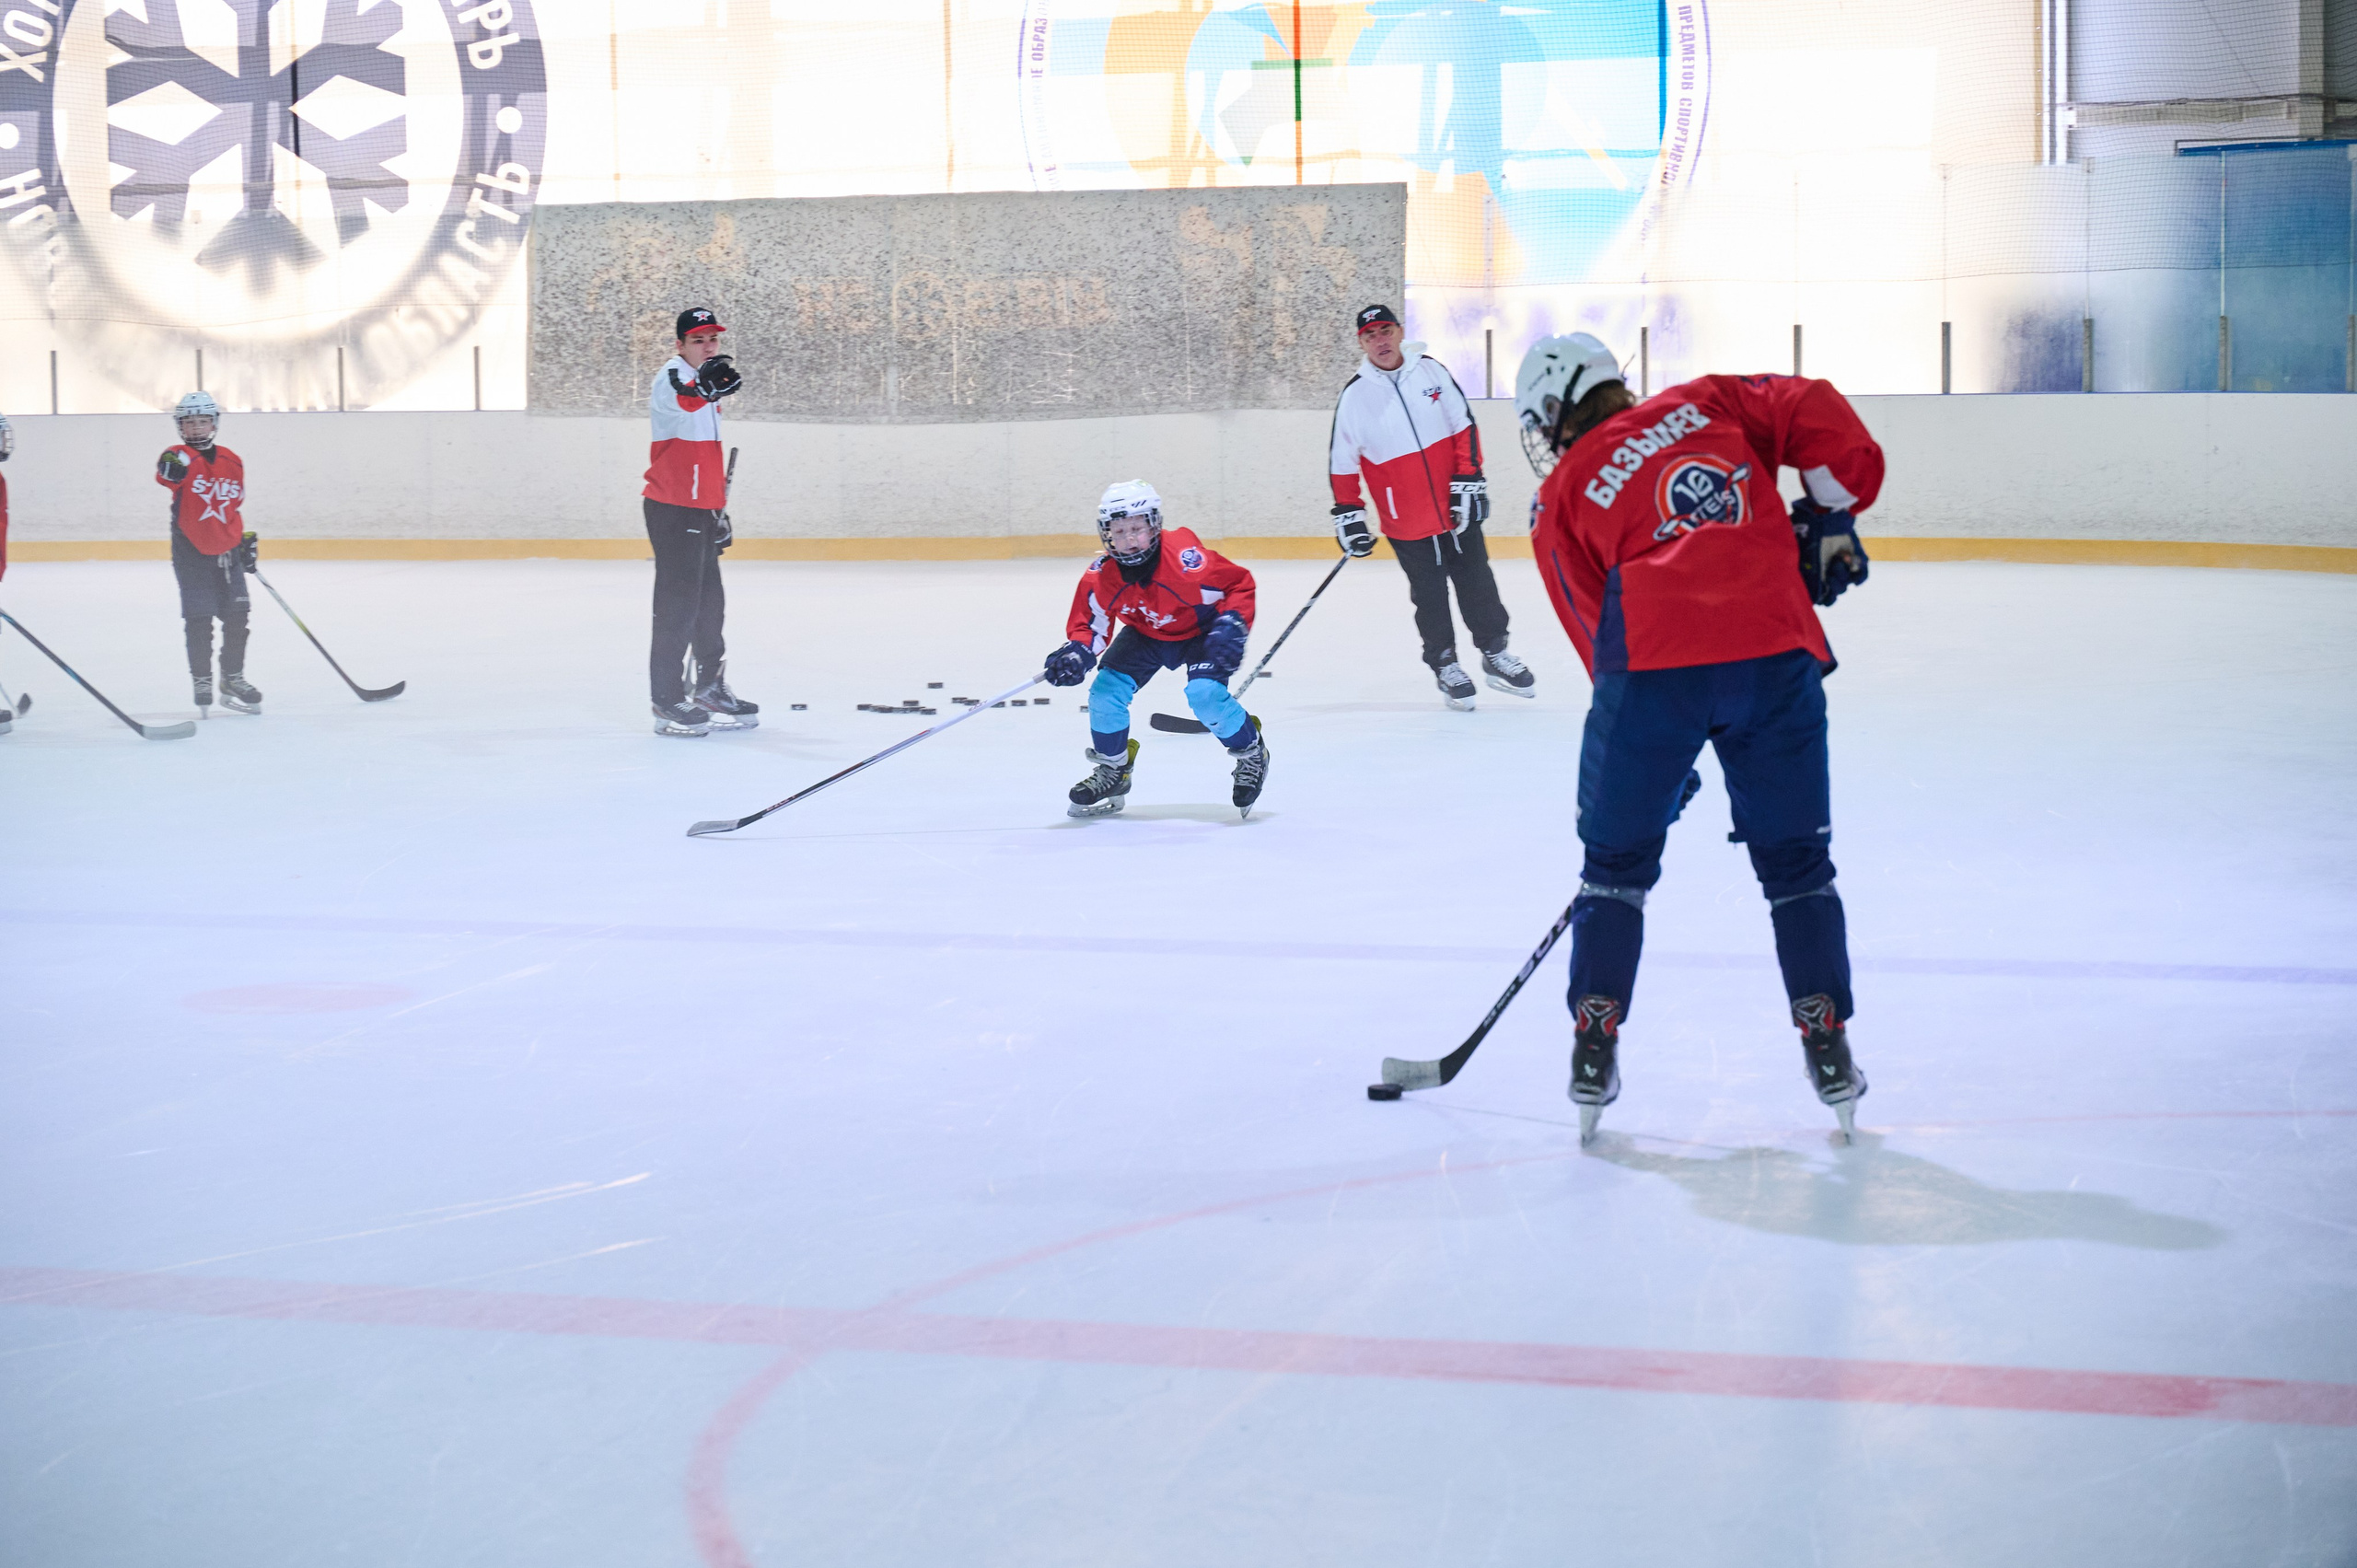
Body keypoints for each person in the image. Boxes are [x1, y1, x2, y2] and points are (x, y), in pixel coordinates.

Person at [1515, 332, 1879, 1142]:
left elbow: (1593, 631)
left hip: (1654, 678)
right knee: (1797, 867)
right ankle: (1826, 1039)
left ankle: (1593, 1047)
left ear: (1560, 410)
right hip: (1775, 652)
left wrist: (1646, 761)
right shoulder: (1710, 400)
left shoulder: (1561, 494)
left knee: (1614, 869)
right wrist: (1830, 509)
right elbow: (1816, 408)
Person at [1328, 303, 1534, 710]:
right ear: (1361, 343)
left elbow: (1463, 425)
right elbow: (1342, 462)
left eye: (1386, 331)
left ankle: (1495, 652)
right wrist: (1350, 514)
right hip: (1405, 519)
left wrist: (1469, 480)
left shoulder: (1431, 371)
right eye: (1370, 335)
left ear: (1400, 331)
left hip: (1456, 508)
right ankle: (1445, 664)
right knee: (1430, 596)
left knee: (1478, 582)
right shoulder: (1355, 396)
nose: (1380, 341)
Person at [1042, 481, 1270, 819]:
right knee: (1105, 693)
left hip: (1201, 632)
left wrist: (1232, 624)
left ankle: (1251, 753)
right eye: (1119, 531)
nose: (1129, 539)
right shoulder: (1102, 576)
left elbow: (1237, 584)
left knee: (1205, 696)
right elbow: (1091, 625)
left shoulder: (1186, 562)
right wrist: (1076, 652)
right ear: (1106, 533)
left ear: (1154, 525)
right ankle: (1114, 769)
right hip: (1147, 634)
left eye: (1136, 528)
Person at [644, 307, 757, 737]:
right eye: (698, 340)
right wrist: (703, 390)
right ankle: (667, 698)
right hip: (673, 509)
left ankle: (709, 687)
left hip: (700, 510)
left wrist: (717, 510)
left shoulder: (707, 388)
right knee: (677, 609)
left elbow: (703, 458)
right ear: (680, 344)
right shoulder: (672, 376)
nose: (708, 346)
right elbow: (682, 397)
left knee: (710, 606)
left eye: (713, 339)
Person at [155, 392, 261, 715]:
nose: (197, 428)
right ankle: (201, 680)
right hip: (191, 553)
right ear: (180, 426)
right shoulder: (178, 456)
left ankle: (233, 678)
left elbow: (232, 506)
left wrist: (241, 540)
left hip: (228, 553)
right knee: (199, 619)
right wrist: (172, 468)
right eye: (190, 423)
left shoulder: (232, 461)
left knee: (238, 617)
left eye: (203, 421)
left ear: (214, 424)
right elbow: (166, 472)